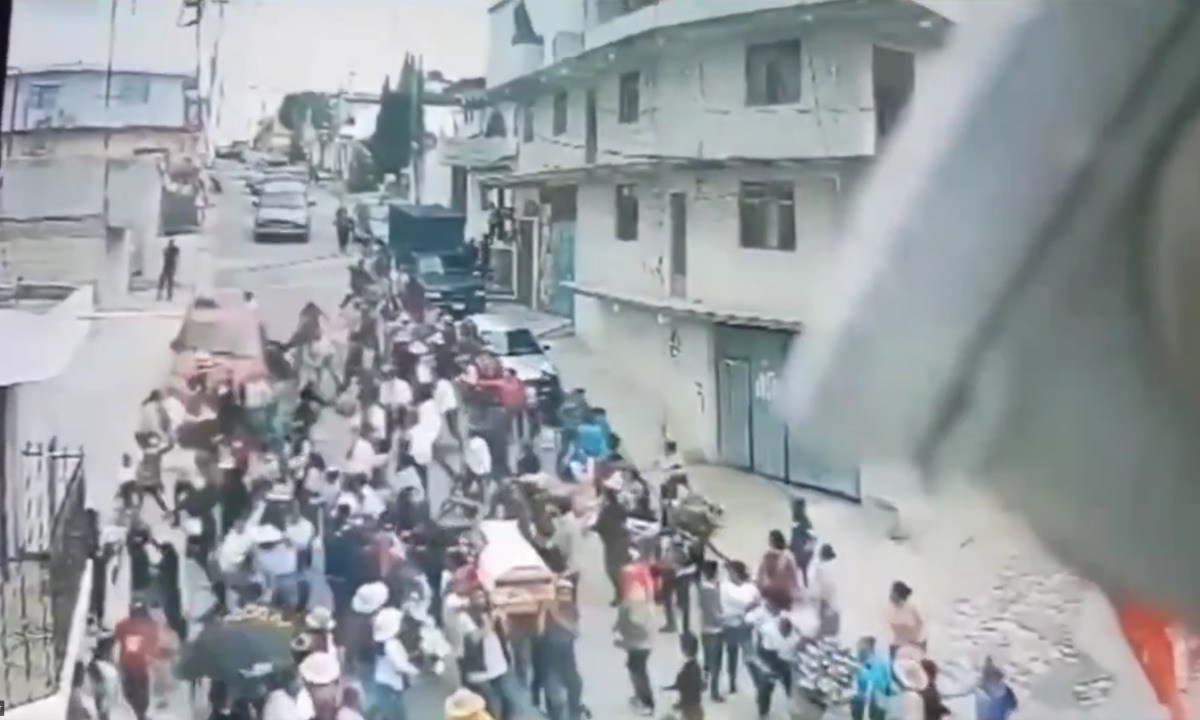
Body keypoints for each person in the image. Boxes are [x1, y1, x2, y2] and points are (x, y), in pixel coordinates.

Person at [539, 580, 585, 720]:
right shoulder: (547, 609)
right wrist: (544, 611)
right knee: (554, 696)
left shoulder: (571, 609)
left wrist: (555, 615)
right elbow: (539, 631)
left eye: (567, 592)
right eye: (561, 592)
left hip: (567, 657)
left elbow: (575, 631)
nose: (565, 595)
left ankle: (574, 713)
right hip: (549, 656)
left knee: (575, 686)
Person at [614, 573, 656, 715]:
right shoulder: (644, 603)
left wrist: (620, 640)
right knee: (638, 672)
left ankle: (646, 702)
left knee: (638, 674)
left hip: (637, 645)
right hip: (644, 645)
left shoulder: (629, 606)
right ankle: (642, 698)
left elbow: (626, 626)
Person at [114, 598, 160, 720]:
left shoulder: (123, 625)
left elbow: (117, 634)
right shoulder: (150, 625)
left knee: (131, 690)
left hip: (129, 664)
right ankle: (140, 714)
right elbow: (154, 641)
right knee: (140, 689)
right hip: (139, 664)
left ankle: (137, 713)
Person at [718, 560, 759, 696]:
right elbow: (749, 603)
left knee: (746, 656)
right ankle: (733, 682)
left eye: (731, 572)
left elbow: (752, 603)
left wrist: (747, 608)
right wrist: (746, 609)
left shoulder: (740, 587)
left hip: (738, 625)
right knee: (735, 655)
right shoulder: (728, 587)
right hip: (735, 626)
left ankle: (756, 682)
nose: (729, 574)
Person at [372, 608, 418, 720]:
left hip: (384, 684)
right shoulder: (391, 644)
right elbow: (399, 665)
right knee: (398, 715)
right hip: (390, 686)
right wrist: (414, 670)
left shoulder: (386, 643)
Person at [696, 559, 725, 703]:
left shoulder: (702, 588)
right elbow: (716, 613)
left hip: (705, 628)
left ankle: (704, 682)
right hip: (715, 630)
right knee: (716, 663)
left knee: (707, 661)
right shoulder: (712, 591)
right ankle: (714, 691)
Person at [664, 633, 706, 720]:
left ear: (685, 651)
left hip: (690, 711)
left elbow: (690, 690)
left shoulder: (689, 670)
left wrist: (680, 705)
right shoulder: (693, 667)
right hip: (692, 709)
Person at [850, 636, 893, 720]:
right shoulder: (858, 663)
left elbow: (888, 683)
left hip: (875, 700)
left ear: (869, 648)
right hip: (865, 701)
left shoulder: (881, 663)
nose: (858, 650)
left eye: (861, 647)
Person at [755, 529, 800, 606]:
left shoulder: (766, 556)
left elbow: (759, 577)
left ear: (771, 542)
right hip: (783, 594)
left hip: (768, 593)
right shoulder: (789, 556)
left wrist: (759, 590)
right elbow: (794, 579)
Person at [808, 543, 839, 638]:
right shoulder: (820, 567)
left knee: (819, 620)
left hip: (818, 598)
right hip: (821, 599)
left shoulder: (816, 565)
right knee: (821, 621)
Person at [887, 581, 926, 652]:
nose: (890, 595)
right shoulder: (892, 610)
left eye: (892, 593)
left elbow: (919, 626)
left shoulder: (910, 610)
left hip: (909, 647)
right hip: (899, 646)